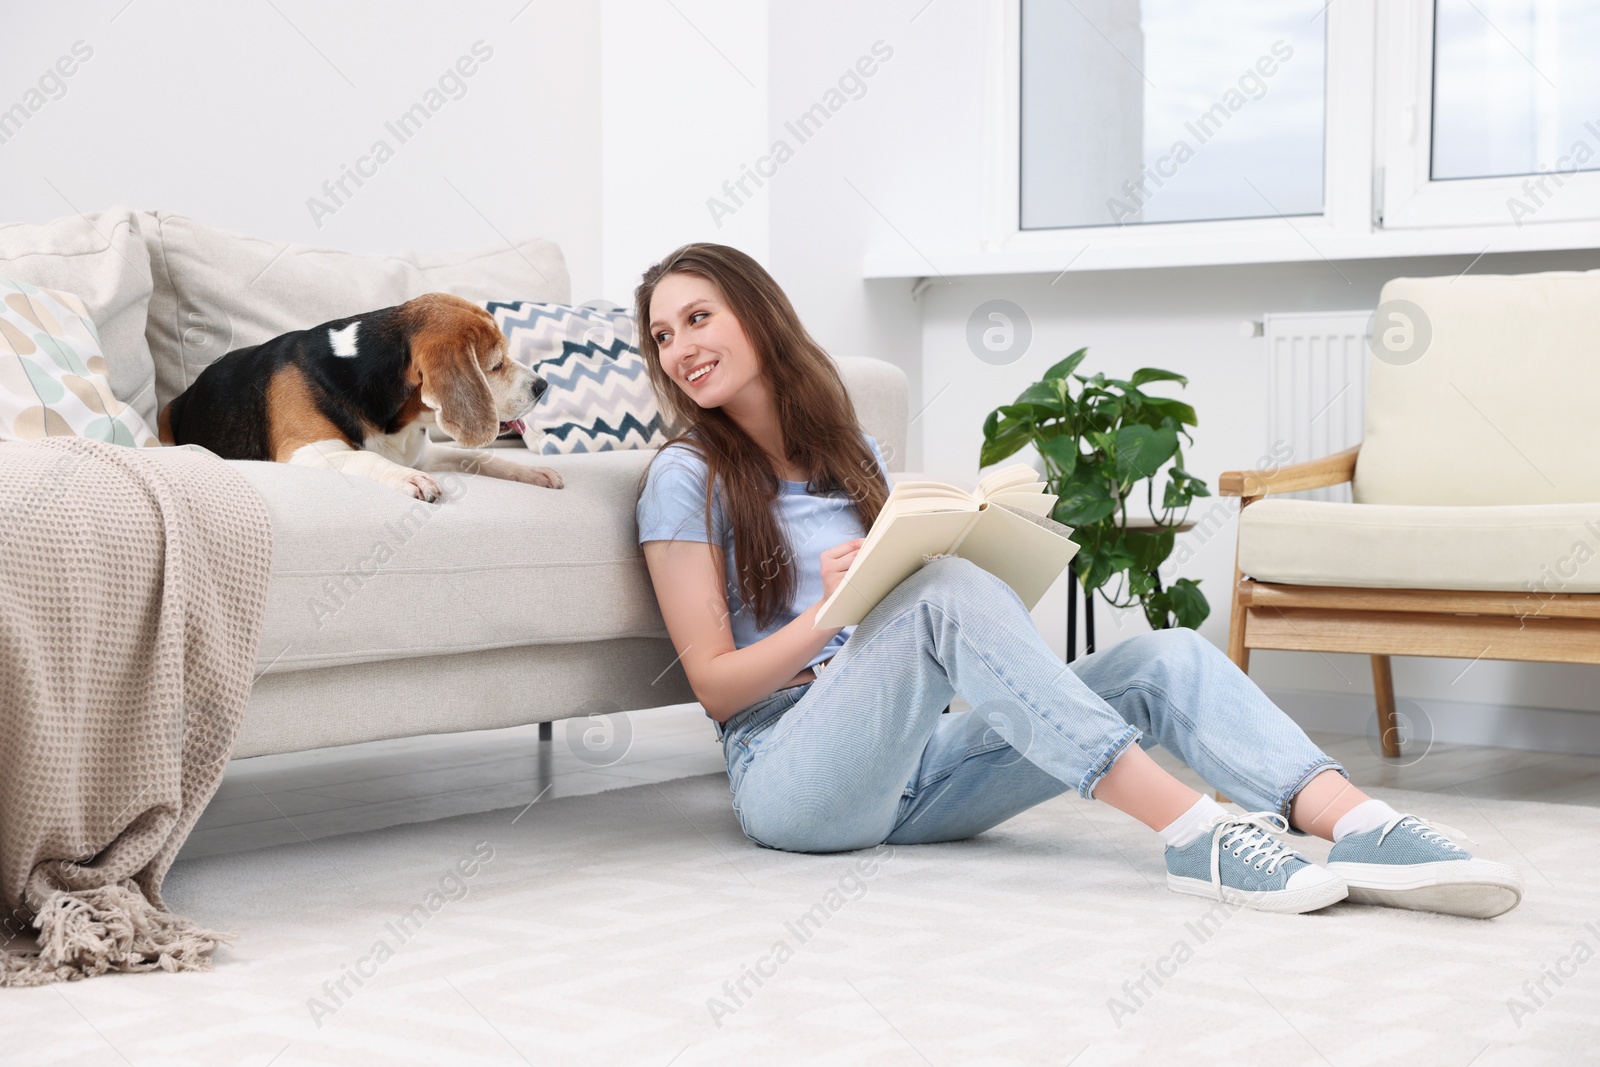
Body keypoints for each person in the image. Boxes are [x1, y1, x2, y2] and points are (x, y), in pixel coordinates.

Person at [632, 242, 1522, 919]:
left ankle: (1357, 825)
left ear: (758, 315)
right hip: (792, 776)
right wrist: (835, 614)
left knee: (1163, 657)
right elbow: (713, 687)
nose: (680, 348)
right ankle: (1192, 833)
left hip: (912, 761)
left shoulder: (847, 452)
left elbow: (932, 624)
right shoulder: (685, 475)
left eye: (698, 318)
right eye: (664, 335)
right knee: (937, 589)